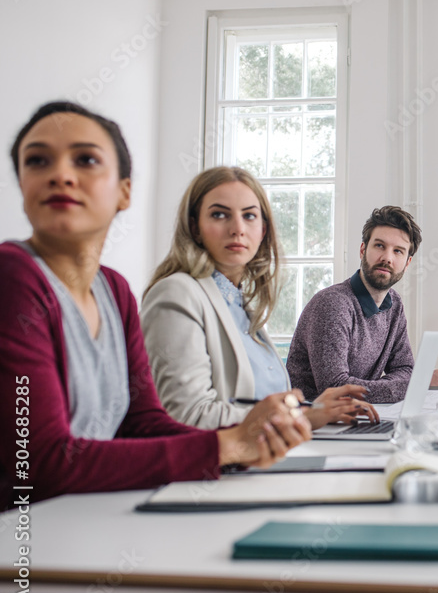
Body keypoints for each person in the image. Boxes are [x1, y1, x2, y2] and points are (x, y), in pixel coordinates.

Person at [0, 102, 311, 507]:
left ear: (124, 191)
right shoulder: (13, 276)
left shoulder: (114, 290)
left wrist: (244, 447)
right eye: (37, 160)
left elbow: (144, 423)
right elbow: (39, 463)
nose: (60, 174)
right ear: (22, 184)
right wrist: (229, 447)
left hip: (88, 512)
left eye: (86, 159)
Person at [141, 167, 376, 430]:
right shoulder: (177, 294)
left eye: (249, 216)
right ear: (195, 227)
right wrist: (300, 418)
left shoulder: (242, 303)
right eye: (219, 214)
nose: (237, 229)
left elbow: (259, 403)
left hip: (270, 455)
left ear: (263, 230)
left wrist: (313, 407)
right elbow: (189, 416)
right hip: (222, 467)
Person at [287, 206, 438, 403]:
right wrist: (418, 384)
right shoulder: (332, 304)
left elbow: (405, 369)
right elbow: (335, 389)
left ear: (407, 263)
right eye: (379, 246)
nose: (387, 258)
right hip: (313, 425)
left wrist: (399, 385)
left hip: (362, 416)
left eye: (398, 251)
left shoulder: (394, 305)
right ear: (363, 250)